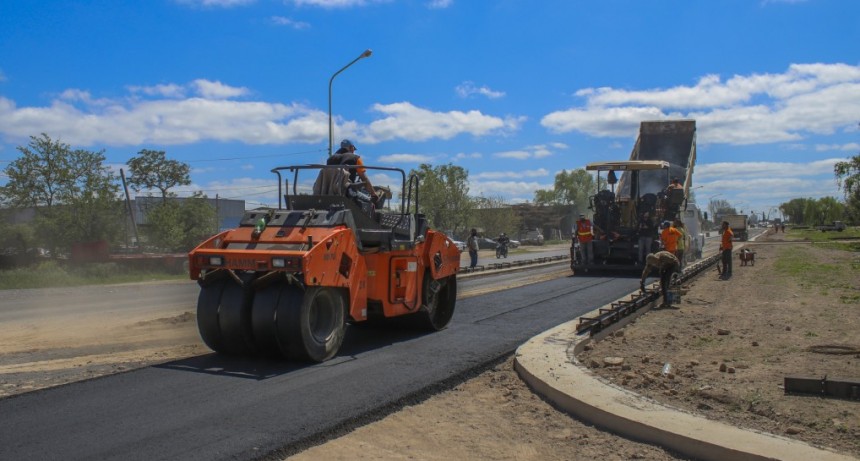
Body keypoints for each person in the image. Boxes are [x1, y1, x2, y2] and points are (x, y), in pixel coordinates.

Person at [328, 139, 379, 204]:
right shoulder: (355, 158)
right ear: (351, 147)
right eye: (353, 149)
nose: (353, 151)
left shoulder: (330, 159)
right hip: (346, 192)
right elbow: (364, 178)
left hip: (328, 192)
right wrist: (373, 194)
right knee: (369, 203)